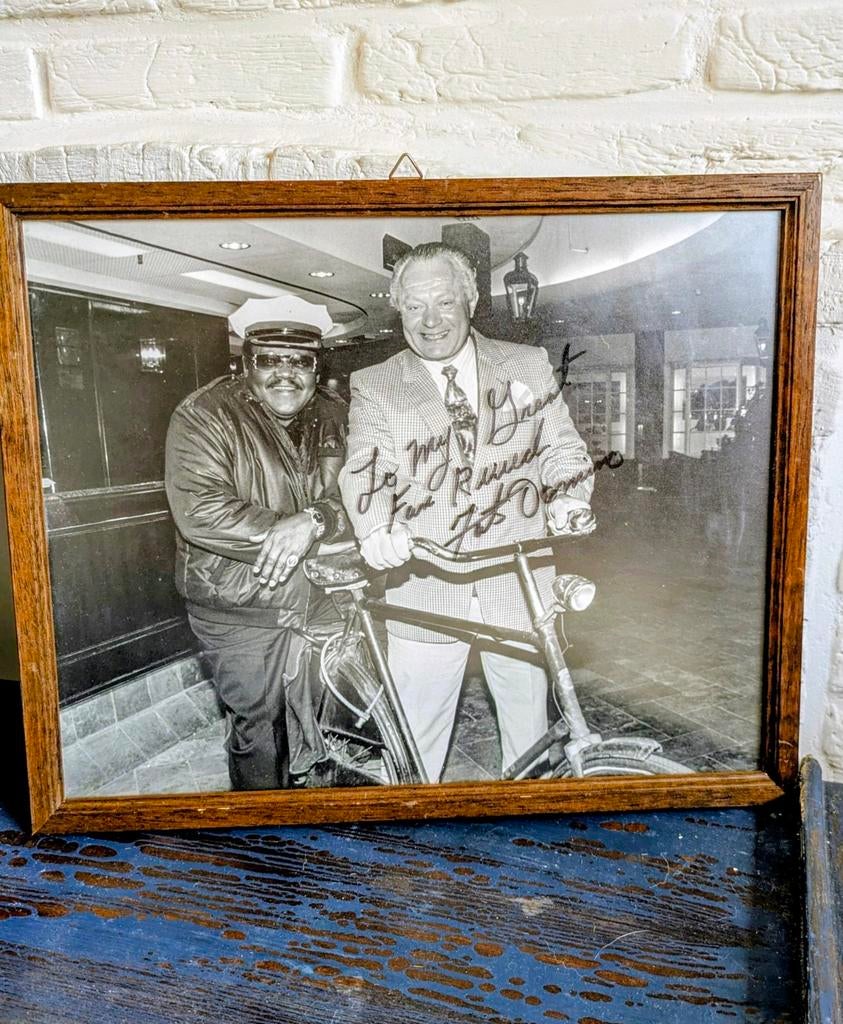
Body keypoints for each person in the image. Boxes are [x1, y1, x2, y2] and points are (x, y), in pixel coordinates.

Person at [339, 242, 594, 783]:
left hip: (518, 584)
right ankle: (407, 846)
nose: (429, 321)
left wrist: (569, 494)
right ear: (398, 308)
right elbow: (364, 469)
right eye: (413, 306)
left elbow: (561, 447)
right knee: (415, 747)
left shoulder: (527, 364)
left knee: (532, 741)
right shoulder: (377, 383)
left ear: (471, 299)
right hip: (426, 585)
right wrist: (377, 526)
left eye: (444, 302)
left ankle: (523, 839)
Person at [165, 296, 347, 791]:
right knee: (261, 730)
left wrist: (315, 518)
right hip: (238, 605)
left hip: (317, 596)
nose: (285, 373)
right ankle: (266, 844)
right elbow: (200, 510)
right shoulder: (204, 414)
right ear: (247, 364)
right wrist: (288, 527)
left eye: (300, 360)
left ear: (316, 367)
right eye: (269, 359)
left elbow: (365, 493)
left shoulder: (335, 414)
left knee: (322, 717)